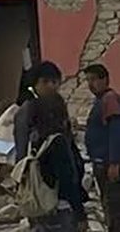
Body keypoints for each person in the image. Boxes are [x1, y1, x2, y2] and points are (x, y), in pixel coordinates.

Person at [28, 92, 89, 231]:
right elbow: (68, 179)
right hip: (61, 208)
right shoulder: (58, 142)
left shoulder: (37, 138)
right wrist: (80, 213)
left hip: (41, 205)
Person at [84, 63, 120, 231]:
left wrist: (114, 162)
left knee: (114, 206)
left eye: (94, 79)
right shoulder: (99, 101)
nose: (90, 84)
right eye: (87, 80)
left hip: (108, 163)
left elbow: (115, 130)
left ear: (105, 79)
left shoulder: (109, 99)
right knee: (108, 204)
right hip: (100, 162)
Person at [16, 61, 64, 162]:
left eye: (54, 82)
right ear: (35, 85)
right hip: (37, 165)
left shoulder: (60, 105)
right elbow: (22, 143)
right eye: (45, 82)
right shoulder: (28, 108)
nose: (51, 86)